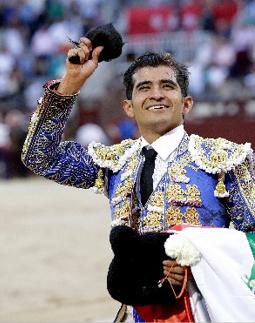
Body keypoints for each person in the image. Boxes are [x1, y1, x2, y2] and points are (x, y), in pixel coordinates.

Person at [21, 39, 255, 320]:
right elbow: (39, 157)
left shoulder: (223, 158)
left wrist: (200, 264)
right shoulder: (114, 163)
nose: (156, 94)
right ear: (129, 106)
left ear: (186, 104)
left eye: (167, 86)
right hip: (139, 310)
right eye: (144, 88)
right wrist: (71, 82)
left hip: (205, 308)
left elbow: (252, 241)